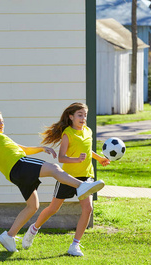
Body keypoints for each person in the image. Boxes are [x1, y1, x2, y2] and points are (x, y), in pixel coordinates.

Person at [0, 111, 105, 252]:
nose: (1, 124)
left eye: (2, 121)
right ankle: (81, 186)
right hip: (20, 164)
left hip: (15, 173)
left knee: (33, 206)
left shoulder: (0, 138)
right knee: (53, 168)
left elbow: (23, 149)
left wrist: (41, 149)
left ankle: (9, 235)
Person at [22, 102, 110, 256]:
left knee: (88, 209)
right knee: (53, 208)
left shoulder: (88, 131)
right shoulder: (67, 134)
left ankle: (75, 245)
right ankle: (33, 229)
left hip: (87, 176)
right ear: (71, 117)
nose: (83, 118)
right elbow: (62, 157)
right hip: (68, 177)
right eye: (79, 115)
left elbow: (87, 149)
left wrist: (99, 158)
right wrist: (76, 159)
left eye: (85, 115)